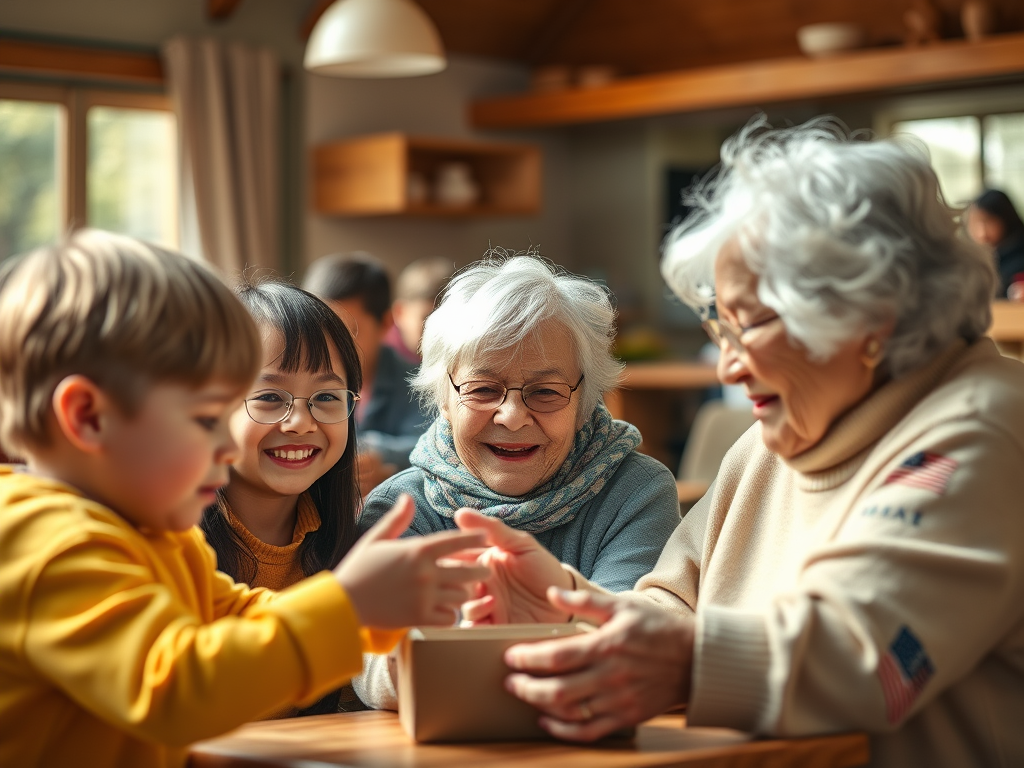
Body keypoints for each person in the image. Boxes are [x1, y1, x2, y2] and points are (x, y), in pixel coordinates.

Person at [453, 118, 1024, 768]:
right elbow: (673, 603)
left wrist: (678, 665)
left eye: (748, 326)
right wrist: (564, 603)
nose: (727, 367)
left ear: (869, 315)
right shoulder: (770, 443)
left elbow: (872, 661)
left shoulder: (979, 431)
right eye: (719, 327)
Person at [0, 230, 489, 768]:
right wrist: (346, 608)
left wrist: (382, 609)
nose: (230, 441)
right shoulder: (50, 543)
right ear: (89, 417)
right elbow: (180, 689)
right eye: (209, 418)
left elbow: (244, 622)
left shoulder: (159, 539)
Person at [352, 252, 681, 710]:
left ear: (583, 400)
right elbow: (366, 662)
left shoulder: (637, 493)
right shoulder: (398, 508)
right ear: (443, 398)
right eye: (483, 389)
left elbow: (634, 644)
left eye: (545, 392)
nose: (512, 415)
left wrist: (466, 654)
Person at [200, 278, 365, 714]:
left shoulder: (352, 543)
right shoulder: (172, 546)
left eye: (326, 397)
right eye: (270, 396)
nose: (300, 422)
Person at [302, 252, 427, 494]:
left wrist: (387, 464)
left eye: (348, 331)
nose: (331, 345)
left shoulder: (419, 386)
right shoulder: (298, 383)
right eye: (321, 330)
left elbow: (438, 444)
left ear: (387, 323)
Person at [385, 256, 454, 364]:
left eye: (448, 318)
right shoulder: (378, 362)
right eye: (426, 317)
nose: (436, 329)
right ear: (400, 313)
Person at [966, 188, 1024, 298]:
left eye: (988, 221)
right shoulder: (972, 257)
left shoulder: (1018, 258)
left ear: (1005, 220)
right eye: (974, 223)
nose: (981, 232)